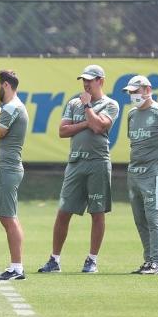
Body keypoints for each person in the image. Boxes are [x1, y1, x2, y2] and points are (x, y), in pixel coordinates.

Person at [39, 65, 119, 274]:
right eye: (83, 80)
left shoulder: (111, 104)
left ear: (100, 80)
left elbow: (100, 127)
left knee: (97, 211)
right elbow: (63, 131)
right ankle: (54, 260)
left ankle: (92, 260)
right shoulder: (74, 102)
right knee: (63, 211)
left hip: (98, 162)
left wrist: (87, 110)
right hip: (75, 162)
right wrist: (86, 122)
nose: (85, 84)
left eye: (90, 80)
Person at [123, 75, 158, 275]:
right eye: (130, 92)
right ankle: (148, 261)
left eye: (135, 91)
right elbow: (133, 141)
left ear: (147, 90)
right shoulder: (131, 115)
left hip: (154, 173)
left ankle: (157, 263)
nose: (133, 95)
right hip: (134, 173)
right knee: (140, 219)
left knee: (153, 217)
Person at [0, 70, 29, 281]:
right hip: (5, 167)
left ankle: (17, 268)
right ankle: (16, 267)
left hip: (9, 168)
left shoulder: (12, 107)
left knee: (9, 217)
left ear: (5, 85)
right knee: (8, 217)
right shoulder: (8, 107)